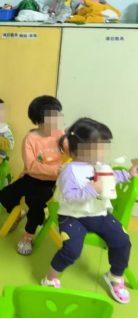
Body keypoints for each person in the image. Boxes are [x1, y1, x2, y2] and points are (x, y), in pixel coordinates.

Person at [41, 118, 138, 304]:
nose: (104, 152)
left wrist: (128, 174)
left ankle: (115, 276)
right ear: (80, 148)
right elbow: (69, 197)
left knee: (122, 241)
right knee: (72, 250)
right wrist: (91, 190)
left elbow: (111, 177)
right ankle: (50, 278)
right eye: (99, 147)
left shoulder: (100, 164)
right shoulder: (69, 171)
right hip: (73, 216)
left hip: (99, 214)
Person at [0, 95, 66, 255]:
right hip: (31, 177)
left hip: (50, 182)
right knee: (6, 195)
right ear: (40, 120)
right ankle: (19, 214)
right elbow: (31, 166)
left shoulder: (59, 134)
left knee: (35, 203)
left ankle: (28, 235)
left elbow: (71, 150)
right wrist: (56, 170)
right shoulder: (30, 139)